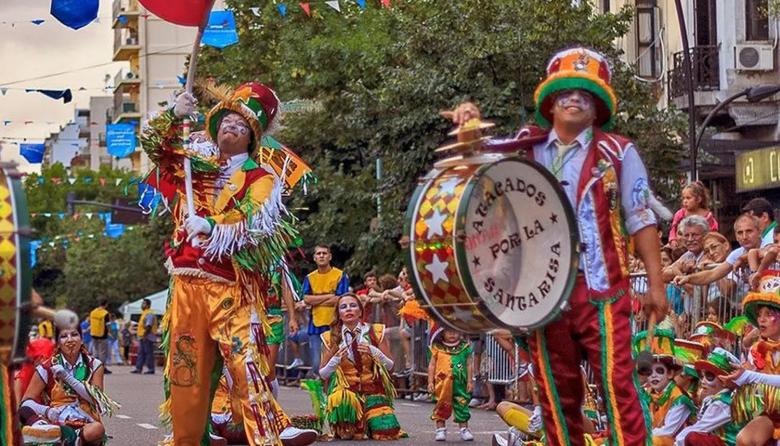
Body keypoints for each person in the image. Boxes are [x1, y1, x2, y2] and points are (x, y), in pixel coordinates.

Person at [445, 47, 667, 446]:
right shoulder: (523, 148)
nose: (574, 99)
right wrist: (467, 128)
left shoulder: (618, 150)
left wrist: (657, 285)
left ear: (598, 106)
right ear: (549, 101)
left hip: (602, 287)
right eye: (565, 92)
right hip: (542, 292)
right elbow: (478, 186)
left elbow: (641, 219)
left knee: (618, 382)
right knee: (554, 388)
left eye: (585, 93)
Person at [141, 82, 316, 446]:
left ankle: (266, 439)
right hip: (187, 285)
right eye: (226, 121)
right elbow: (154, 146)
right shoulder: (191, 161)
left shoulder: (261, 177)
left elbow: (255, 224)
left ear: (252, 137)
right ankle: (188, 440)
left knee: (246, 365)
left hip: (230, 289)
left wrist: (212, 226)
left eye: (241, 124)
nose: (230, 127)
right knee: (187, 371)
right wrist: (174, 114)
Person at [319, 293, 404, 440]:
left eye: (353, 305)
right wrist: (335, 360)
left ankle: (371, 420)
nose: (348, 309)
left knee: (386, 432)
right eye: (343, 307)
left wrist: (375, 352)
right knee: (350, 434)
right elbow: (323, 374)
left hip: (373, 391)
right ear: (338, 314)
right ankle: (355, 423)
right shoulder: (330, 337)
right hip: (347, 393)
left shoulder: (375, 332)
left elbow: (391, 366)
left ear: (360, 311)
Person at [18, 322, 118, 446]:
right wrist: (47, 411)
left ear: (81, 340)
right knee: (23, 411)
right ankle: (47, 431)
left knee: (97, 430)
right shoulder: (46, 367)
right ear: (58, 343)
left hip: (85, 421)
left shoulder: (94, 365)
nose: (70, 340)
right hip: (55, 420)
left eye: (74, 335)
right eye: (64, 336)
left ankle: (63, 439)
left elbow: (96, 400)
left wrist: (67, 377)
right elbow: (26, 401)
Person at [674, 348, 742, 446]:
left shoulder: (722, 403)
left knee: (693, 437)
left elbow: (700, 428)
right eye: (702, 376)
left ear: (724, 381)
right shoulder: (714, 399)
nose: (703, 381)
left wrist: (676, 443)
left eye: (709, 376)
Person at [302, 245, 350, 378]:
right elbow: (306, 299)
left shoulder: (340, 275)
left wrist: (316, 299)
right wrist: (329, 296)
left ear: (330, 256)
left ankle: (333, 391)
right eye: (318, 254)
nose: (321, 256)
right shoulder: (310, 278)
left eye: (324, 253)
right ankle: (321, 389)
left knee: (335, 360)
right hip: (315, 325)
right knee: (317, 363)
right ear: (314, 258)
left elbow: (340, 299)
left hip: (335, 324)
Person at [427, 328, 474, 442]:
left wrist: (469, 381)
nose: (452, 333)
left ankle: (464, 429)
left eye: (455, 331)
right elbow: (432, 365)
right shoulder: (437, 347)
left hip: (460, 384)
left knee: (462, 404)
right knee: (441, 404)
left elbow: (469, 365)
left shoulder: (465, 347)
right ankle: (440, 429)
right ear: (442, 333)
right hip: (442, 384)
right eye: (448, 331)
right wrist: (430, 382)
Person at [668, 182, 719, 249]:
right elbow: (673, 229)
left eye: (688, 198)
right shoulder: (680, 213)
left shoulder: (708, 216)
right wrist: (673, 239)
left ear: (698, 199)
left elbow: (713, 232)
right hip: (681, 246)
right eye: (683, 198)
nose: (685, 201)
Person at [131, 298, 157, 375]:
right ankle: (138, 368)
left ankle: (151, 369)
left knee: (148, 353)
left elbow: (148, 326)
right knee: (141, 353)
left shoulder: (149, 313)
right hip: (143, 336)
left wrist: (145, 335)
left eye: (143, 304)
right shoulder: (144, 313)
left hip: (147, 337)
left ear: (148, 305)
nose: (142, 305)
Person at [88, 300, 111, 375]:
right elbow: (108, 325)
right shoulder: (105, 313)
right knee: (103, 353)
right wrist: (110, 332)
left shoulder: (93, 312)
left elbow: (90, 321)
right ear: (106, 304)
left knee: (95, 351)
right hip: (102, 335)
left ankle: (94, 367)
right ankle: (102, 368)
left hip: (93, 334)